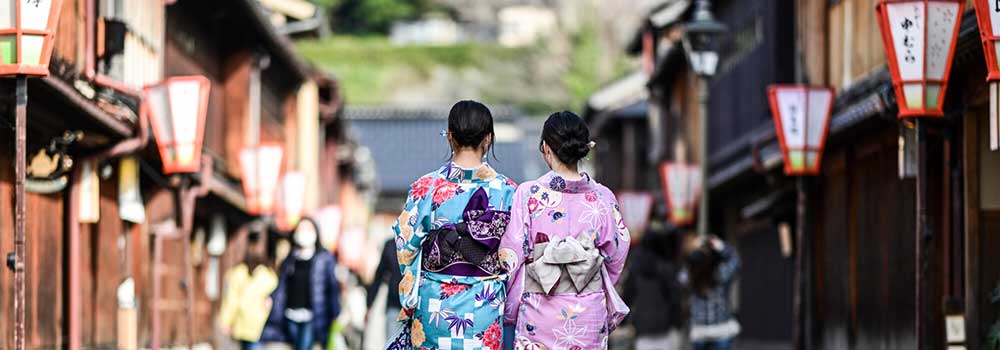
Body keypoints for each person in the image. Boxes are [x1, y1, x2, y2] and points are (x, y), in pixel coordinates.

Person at [388, 100, 518, 350]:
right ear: (488, 139)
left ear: (449, 137)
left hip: (435, 301)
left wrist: (411, 291)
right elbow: (515, 254)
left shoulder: (427, 186)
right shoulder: (508, 191)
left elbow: (405, 243)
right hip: (486, 302)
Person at [499, 111, 630, 350]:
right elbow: (617, 254)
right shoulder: (602, 197)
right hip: (589, 310)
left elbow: (512, 255)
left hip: (540, 311)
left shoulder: (529, 194)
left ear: (546, 148)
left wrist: (510, 305)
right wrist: (586, 276)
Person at [261, 218, 342, 350]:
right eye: (301, 229)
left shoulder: (324, 258)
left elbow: (332, 287)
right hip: (290, 314)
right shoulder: (290, 258)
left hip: (312, 315)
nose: (304, 233)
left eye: (308, 229)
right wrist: (271, 297)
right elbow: (282, 285)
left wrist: (335, 311)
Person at [623, 230, 683, 350]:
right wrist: (677, 322)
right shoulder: (666, 267)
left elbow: (627, 297)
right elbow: (674, 298)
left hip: (642, 327)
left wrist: (622, 322)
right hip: (664, 326)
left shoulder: (635, 270)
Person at [217, 234, 278, 350]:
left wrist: (226, 321)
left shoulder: (238, 273)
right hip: (257, 326)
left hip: (247, 325)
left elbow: (231, 300)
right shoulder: (269, 276)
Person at [682, 234, 741, 350]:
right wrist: (720, 246)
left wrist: (694, 248)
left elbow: (684, 269)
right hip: (720, 330)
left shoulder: (690, 277)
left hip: (699, 331)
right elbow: (736, 260)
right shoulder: (720, 274)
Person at [366, 238, 403, 338]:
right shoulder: (390, 245)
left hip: (415, 308)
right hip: (394, 305)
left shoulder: (420, 242)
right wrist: (369, 303)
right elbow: (379, 276)